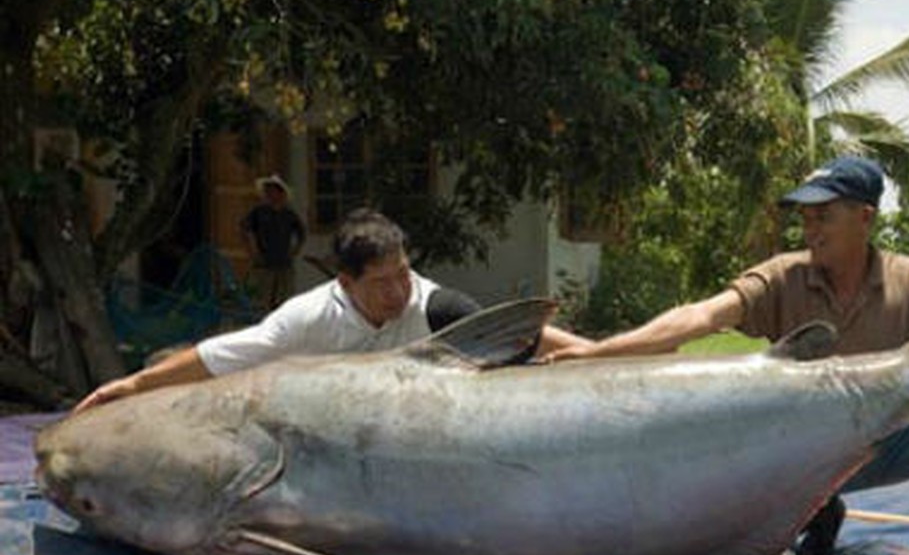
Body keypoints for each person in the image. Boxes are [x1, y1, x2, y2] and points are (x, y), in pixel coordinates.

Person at [549, 156, 909, 555]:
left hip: (887, 443)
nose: (810, 230)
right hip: (800, 455)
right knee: (734, 422)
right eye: (805, 219)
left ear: (865, 218)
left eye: (823, 217)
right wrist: (595, 353)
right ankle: (811, 519)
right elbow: (701, 316)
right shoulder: (785, 277)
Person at [76, 208, 590, 413]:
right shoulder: (305, 320)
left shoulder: (435, 306)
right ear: (345, 282)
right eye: (382, 282)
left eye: (404, 274)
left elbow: (525, 336)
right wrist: (132, 387)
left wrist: (606, 354)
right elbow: (218, 357)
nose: (398, 292)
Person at [242, 174, 307, 309]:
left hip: (283, 262)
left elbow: (301, 233)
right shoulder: (258, 212)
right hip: (264, 263)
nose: (270, 193)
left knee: (283, 300)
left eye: (273, 190)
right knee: (263, 300)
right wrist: (254, 251)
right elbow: (247, 230)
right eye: (268, 190)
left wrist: (295, 251)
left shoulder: (288, 214)